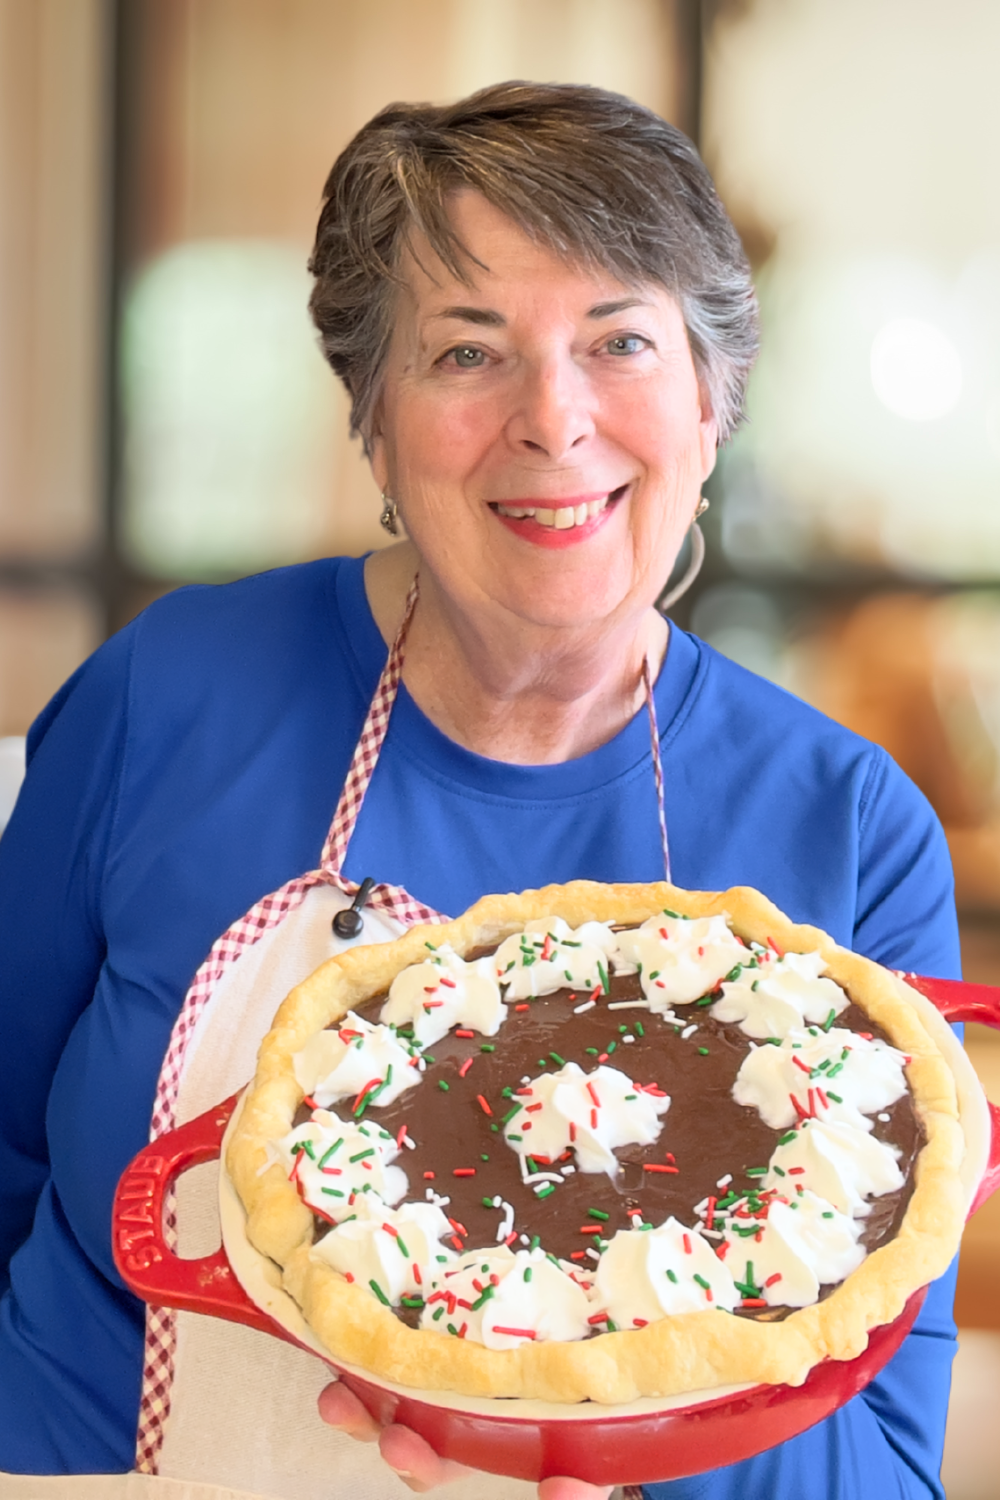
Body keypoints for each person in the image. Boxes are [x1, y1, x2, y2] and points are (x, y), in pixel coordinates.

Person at [0, 82, 960, 1500]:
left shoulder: (849, 826)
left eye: (620, 341)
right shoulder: (168, 697)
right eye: (467, 351)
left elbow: (884, 1467)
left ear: (712, 397)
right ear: (373, 418)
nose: (552, 422)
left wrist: (649, 1425)